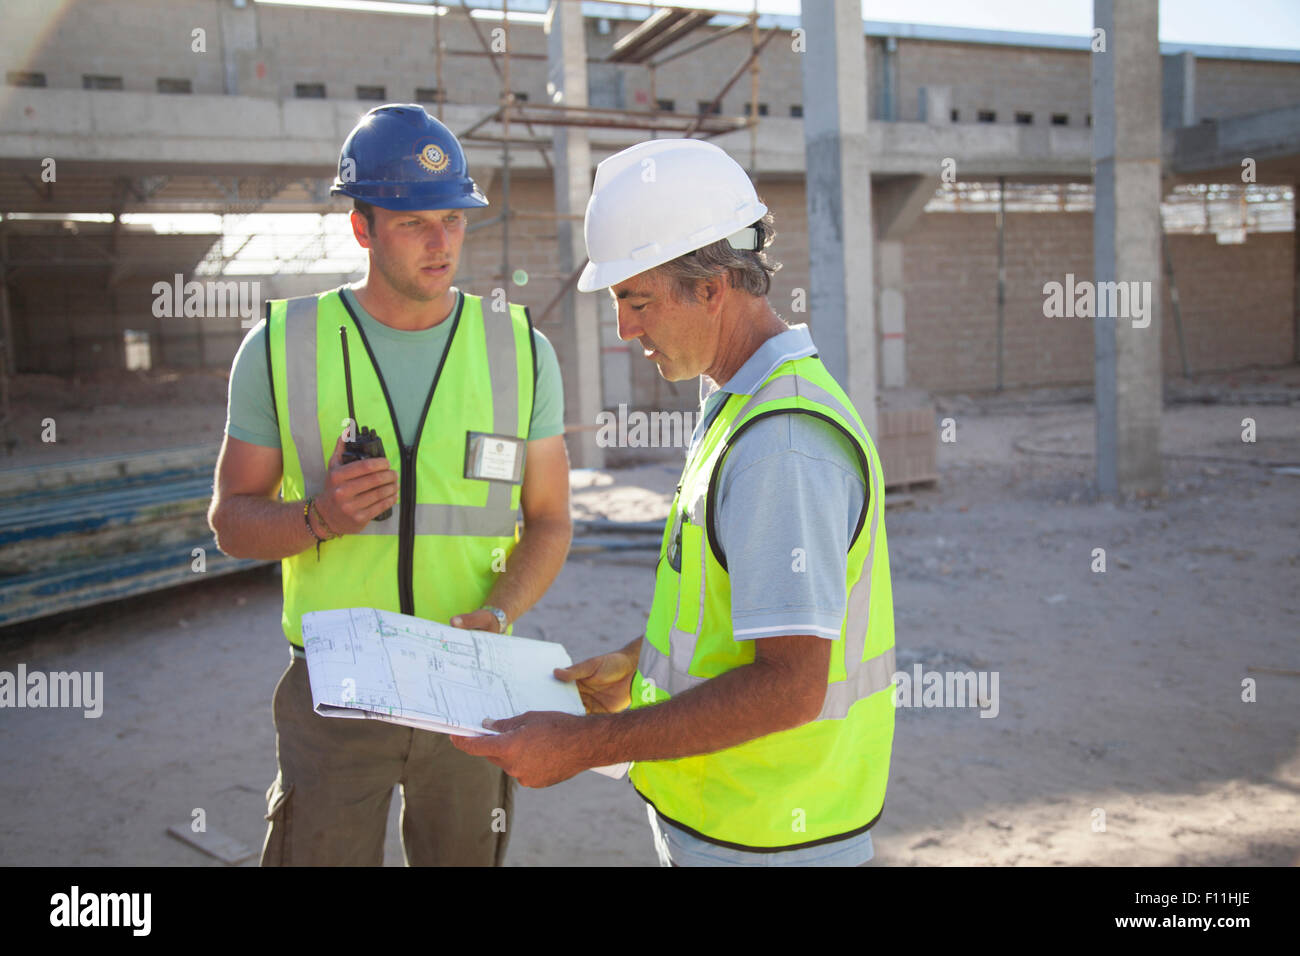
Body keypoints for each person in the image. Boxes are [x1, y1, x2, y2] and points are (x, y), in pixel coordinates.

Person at [452, 139, 896, 866]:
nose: (625, 329)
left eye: (637, 299)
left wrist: (585, 745)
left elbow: (789, 689)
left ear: (713, 287)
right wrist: (641, 665)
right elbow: (731, 613)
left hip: (768, 837)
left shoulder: (781, 444)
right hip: (737, 822)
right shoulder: (740, 405)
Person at [208, 104, 572, 866]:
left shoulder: (520, 351)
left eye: (454, 218)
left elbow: (549, 519)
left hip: (468, 685)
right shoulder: (283, 346)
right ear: (362, 227)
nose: (441, 244)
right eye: (413, 222)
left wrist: (502, 611)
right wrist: (316, 517)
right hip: (335, 691)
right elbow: (232, 521)